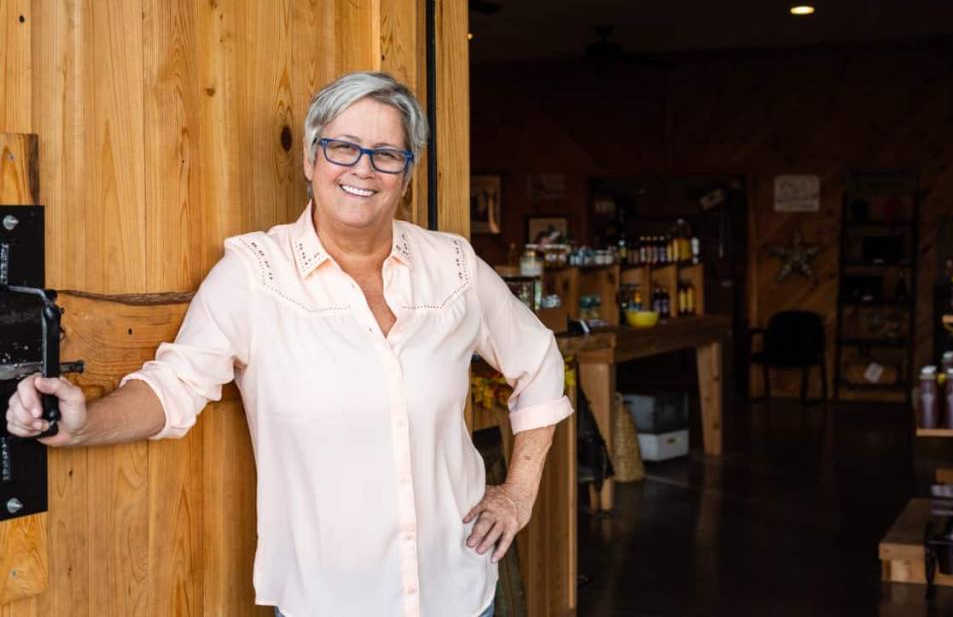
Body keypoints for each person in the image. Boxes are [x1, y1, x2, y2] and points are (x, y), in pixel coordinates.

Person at [5, 72, 573, 617]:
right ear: (310, 159)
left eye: (386, 154)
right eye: (342, 147)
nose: (363, 168)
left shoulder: (453, 266)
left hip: (457, 592)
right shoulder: (256, 274)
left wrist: (518, 494)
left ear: (407, 174)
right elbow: (174, 386)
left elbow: (539, 359)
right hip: (326, 602)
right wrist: (84, 424)